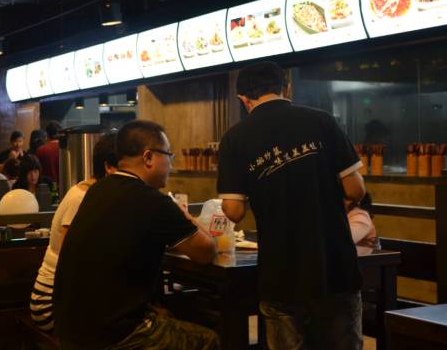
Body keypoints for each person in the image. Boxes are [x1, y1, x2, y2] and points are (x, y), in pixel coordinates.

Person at [216, 61, 366, 350]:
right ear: (286, 88)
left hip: (280, 272)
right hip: (334, 265)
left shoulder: (234, 139)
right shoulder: (323, 121)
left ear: (243, 99)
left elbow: (234, 211)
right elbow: (355, 189)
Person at [53, 120, 218, 350]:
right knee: (208, 340)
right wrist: (184, 214)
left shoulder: (98, 190)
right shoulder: (153, 201)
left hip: (71, 329)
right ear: (148, 157)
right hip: (113, 336)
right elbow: (206, 252)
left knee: (169, 315)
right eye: (168, 155)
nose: (171, 164)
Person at [31, 133, 118, 332]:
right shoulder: (82, 198)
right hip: (51, 306)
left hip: (67, 301)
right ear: (109, 167)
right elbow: (69, 261)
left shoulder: (92, 193)